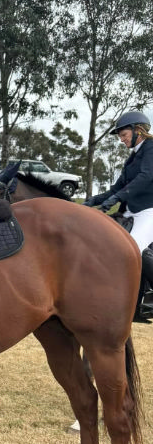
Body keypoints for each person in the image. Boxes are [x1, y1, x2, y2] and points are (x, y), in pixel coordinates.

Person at [83, 110, 153, 323]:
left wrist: (116, 199)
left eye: (124, 135)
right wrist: (93, 202)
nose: (122, 140)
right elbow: (117, 188)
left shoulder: (151, 148)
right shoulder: (131, 159)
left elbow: (146, 177)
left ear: (138, 131)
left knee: (135, 249)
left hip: (150, 210)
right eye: (121, 137)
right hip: (132, 211)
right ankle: (136, 308)